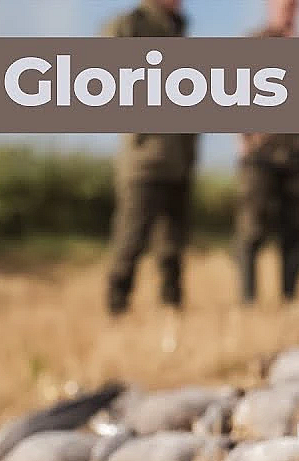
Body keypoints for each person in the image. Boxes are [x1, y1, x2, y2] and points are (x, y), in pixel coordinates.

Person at [103, 0, 196, 316]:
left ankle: (172, 308)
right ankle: (117, 307)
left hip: (179, 157)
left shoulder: (180, 29)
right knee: (131, 239)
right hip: (143, 159)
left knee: (173, 244)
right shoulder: (130, 25)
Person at [233, 0, 299, 305]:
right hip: (259, 156)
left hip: (295, 156)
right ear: (269, 7)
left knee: (294, 232)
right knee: (251, 230)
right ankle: (248, 299)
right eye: (283, 5)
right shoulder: (253, 43)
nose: (288, 11)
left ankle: (289, 297)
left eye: (294, 6)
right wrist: (242, 136)